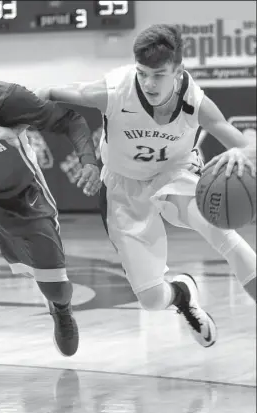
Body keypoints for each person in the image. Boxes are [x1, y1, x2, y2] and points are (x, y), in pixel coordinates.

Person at [35, 24, 257, 349]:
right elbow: (52, 93)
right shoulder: (114, 91)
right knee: (151, 300)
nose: (149, 83)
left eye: (158, 74)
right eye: (142, 73)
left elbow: (243, 141)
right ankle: (182, 294)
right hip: (122, 187)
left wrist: (243, 149)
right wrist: (24, 116)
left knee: (223, 234)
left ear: (178, 72)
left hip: (176, 173)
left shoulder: (194, 100)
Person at [0, 30, 101, 376]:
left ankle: (61, 308)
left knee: (55, 283)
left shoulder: (6, 99)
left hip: (21, 197)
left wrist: (88, 161)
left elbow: (73, 121)